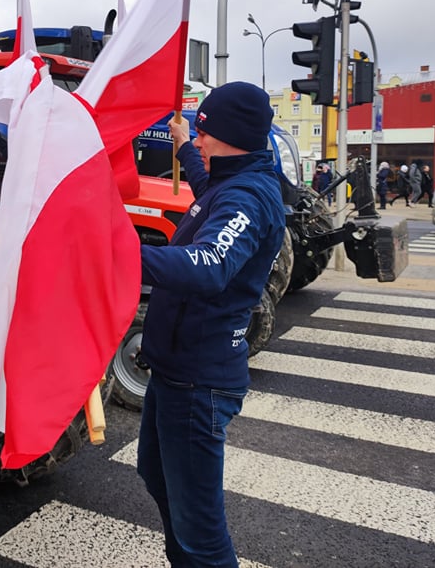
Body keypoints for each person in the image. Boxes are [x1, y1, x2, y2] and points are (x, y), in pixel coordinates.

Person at [138, 81, 286, 568]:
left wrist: (115, 255)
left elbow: (208, 265)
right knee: (159, 480)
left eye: (203, 132)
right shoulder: (229, 182)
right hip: (175, 369)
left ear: (231, 136)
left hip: (198, 381)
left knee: (200, 528)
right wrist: (182, 142)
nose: (198, 141)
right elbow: (205, 186)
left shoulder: (248, 196)